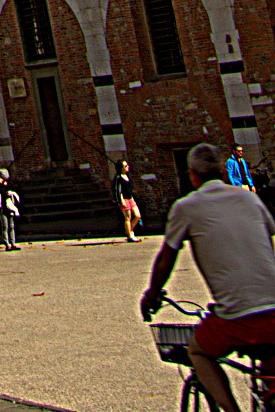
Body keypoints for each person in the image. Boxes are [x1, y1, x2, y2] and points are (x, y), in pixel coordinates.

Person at [141, 140, 275, 412]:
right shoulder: (250, 199)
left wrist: (152, 296)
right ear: (223, 173)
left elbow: (166, 259)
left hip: (238, 315)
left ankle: (231, 410)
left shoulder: (187, 207)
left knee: (198, 352)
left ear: (192, 175)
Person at [0, 168, 21, 251]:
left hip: (9, 206)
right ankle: (7, 244)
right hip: (2, 207)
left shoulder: (8, 183)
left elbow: (13, 188)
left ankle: (13, 242)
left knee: (11, 226)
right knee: (5, 226)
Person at [116, 159, 141, 242]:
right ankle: (130, 236)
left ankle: (129, 231)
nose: (128, 167)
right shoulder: (118, 177)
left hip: (131, 198)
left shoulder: (128, 175)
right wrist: (121, 201)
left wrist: (133, 199)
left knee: (137, 216)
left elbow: (129, 189)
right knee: (128, 218)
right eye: (125, 166)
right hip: (124, 199)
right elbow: (118, 190)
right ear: (121, 168)